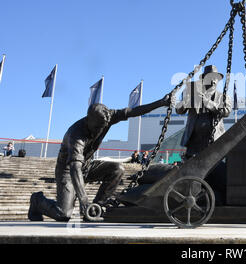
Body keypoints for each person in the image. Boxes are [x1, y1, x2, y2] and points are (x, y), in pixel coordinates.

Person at [27, 94, 174, 222]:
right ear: (88, 120)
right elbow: (75, 168)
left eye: (103, 127)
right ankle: (37, 201)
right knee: (63, 214)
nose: (100, 130)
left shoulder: (107, 117)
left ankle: (97, 207)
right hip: (68, 171)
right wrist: (84, 199)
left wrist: (160, 103)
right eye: (97, 127)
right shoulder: (76, 135)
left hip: (87, 166)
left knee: (117, 169)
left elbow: (132, 111)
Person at [176, 65, 232, 159]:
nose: (213, 81)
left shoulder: (223, 97)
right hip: (194, 141)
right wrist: (185, 100)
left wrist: (208, 102)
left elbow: (226, 111)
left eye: (216, 78)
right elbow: (179, 110)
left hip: (214, 140)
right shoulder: (192, 92)